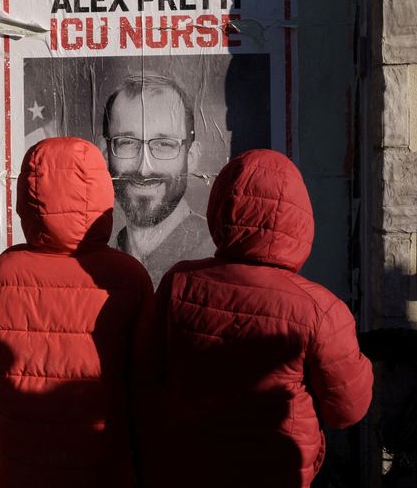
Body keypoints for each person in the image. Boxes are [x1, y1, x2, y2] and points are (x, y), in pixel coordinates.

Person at [133, 149, 373, 488]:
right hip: (278, 472)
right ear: (300, 218)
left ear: (220, 207)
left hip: (188, 469)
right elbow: (348, 410)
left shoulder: (179, 283)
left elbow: (145, 374)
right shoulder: (320, 309)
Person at [0, 137, 154, 488]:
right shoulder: (128, 277)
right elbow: (147, 376)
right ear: (101, 193)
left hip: (24, 460)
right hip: (104, 459)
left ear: (28, 196)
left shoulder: (4, 272)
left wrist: (22, 411)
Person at [102, 75, 214, 286]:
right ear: (105, 154)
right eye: (127, 142)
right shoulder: (98, 262)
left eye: (164, 144)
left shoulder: (217, 259)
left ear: (191, 157)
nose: (144, 169)